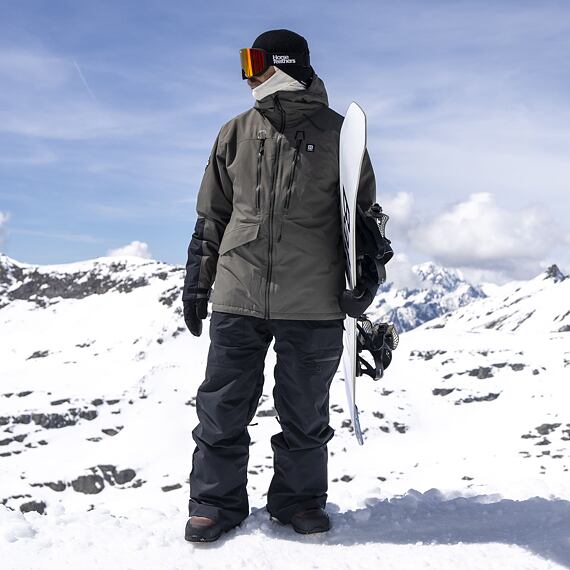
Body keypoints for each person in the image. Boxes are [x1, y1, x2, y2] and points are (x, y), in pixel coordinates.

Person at [182, 29, 380, 543]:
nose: (246, 75)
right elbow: (212, 216)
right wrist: (198, 282)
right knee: (221, 408)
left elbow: (362, 220)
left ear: (284, 66)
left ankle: (299, 501)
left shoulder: (339, 135)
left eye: (255, 63)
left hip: (313, 300)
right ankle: (214, 504)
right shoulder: (234, 133)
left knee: (305, 413)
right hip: (238, 292)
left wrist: (366, 277)